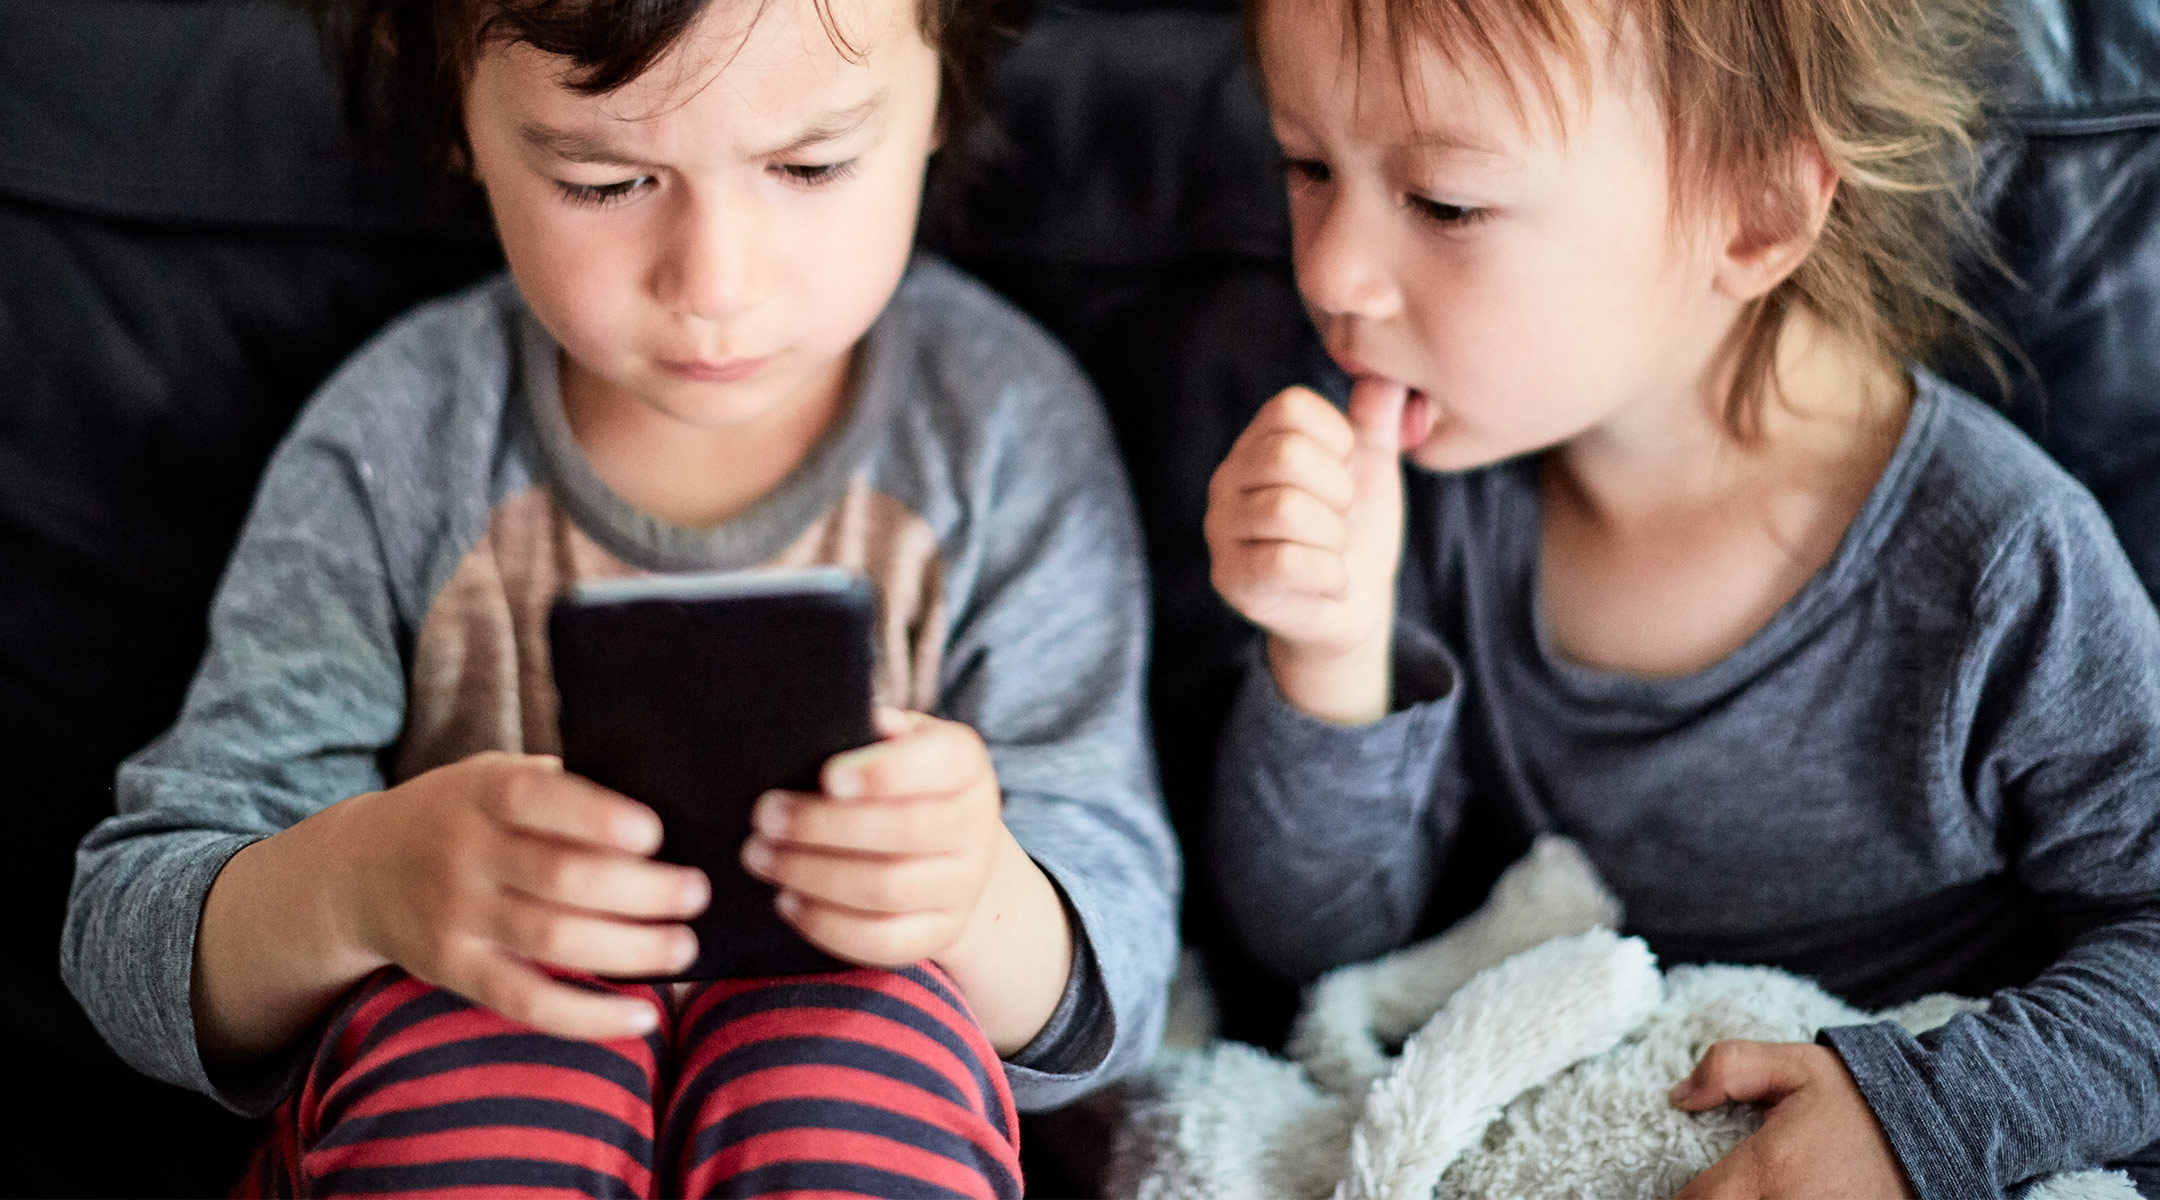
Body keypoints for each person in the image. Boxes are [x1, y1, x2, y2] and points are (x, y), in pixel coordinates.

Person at [61, 0, 1179, 1193]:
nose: (712, 283)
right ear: (465, 129)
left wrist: (974, 899)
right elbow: (128, 930)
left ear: (942, 97)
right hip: (450, 1110)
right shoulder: (400, 444)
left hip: (852, 1117)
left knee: (861, 1041)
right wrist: (364, 883)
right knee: (491, 1047)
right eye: (604, 181)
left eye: (809, 165)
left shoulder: (1003, 433)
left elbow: (1121, 968)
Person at [1203, 0, 2160, 1195]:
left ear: (1752, 214)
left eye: (1446, 202)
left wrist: (1929, 1117)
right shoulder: (1438, 504)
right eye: (1305, 165)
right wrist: (1331, 657)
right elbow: (1321, 955)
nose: (1331, 269)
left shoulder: (1998, 568)